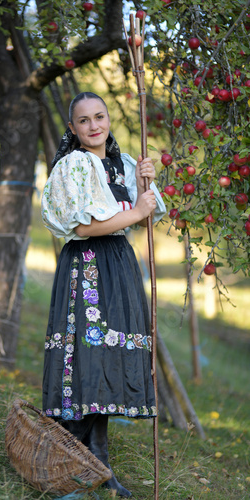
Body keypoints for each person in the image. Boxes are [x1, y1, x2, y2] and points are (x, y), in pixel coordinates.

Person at [41, 92, 166, 497]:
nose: (94, 126)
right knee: (86, 358)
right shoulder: (75, 164)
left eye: (100, 117)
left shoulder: (122, 162)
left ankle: (98, 463)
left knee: (108, 359)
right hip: (88, 265)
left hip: (119, 265)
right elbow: (83, 228)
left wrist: (146, 181)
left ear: (108, 119)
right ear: (73, 128)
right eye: (83, 120)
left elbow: (142, 204)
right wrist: (136, 213)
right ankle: (62, 458)